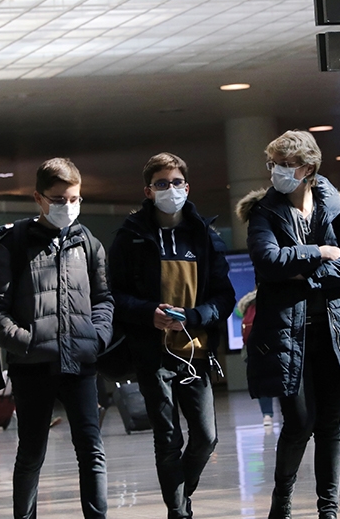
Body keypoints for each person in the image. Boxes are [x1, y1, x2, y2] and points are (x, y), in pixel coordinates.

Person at [236, 130, 340, 519]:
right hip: (285, 334)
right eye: (273, 164)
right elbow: (267, 261)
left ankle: (328, 509)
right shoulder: (263, 211)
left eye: (284, 164)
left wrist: (303, 274)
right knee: (298, 420)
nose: (276, 171)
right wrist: (319, 252)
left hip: (333, 332)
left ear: (308, 168)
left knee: (330, 423)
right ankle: (282, 501)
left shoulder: (338, 208)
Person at [0, 157, 114, 519]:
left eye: (74, 199)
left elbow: (103, 299)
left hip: (80, 363)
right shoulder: (12, 245)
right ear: (38, 198)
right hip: (32, 367)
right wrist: (27, 342)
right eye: (58, 200)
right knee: (31, 452)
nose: (67, 207)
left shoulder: (88, 244)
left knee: (92, 450)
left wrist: (97, 338)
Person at [108, 152, 235, 519]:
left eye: (177, 182)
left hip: (195, 350)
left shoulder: (205, 236)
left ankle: (181, 496)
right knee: (167, 438)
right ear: (149, 191)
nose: (171, 189)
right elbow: (113, 295)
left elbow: (224, 295)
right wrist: (149, 313)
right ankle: (179, 513)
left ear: (187, 186)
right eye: (162, 184)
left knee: (206, 437)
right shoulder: (131, 236)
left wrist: (196, 316)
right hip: (151, 353)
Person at [237, 288, 276, 427]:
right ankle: (291, 414)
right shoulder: (275, 296)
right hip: (275, 345)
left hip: (252, 348)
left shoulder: (247, 304)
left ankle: (267, 415)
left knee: (263, 382)